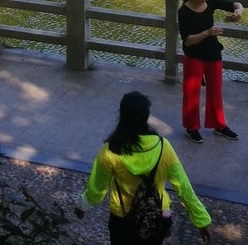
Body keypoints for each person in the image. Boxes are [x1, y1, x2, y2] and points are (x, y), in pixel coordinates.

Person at [76, 91, 212, 244]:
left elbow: (97, 187)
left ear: (122, 116)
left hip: (121, 218)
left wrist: (82, 206)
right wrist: (201, 220)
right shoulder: (163, 147)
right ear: (147, 116)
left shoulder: (110, 150)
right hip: (156, 216)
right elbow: (182, 184)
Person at [177, 0, 243, 144]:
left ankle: (219, 125)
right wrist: (207, 32)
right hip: (194, 56)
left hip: (213, 53)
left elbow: (235, 4)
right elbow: (188, 40)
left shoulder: (211, 2)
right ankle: (191, 127)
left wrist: (239, 11)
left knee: (215, 91)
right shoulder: (184, 11)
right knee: (191, 93)